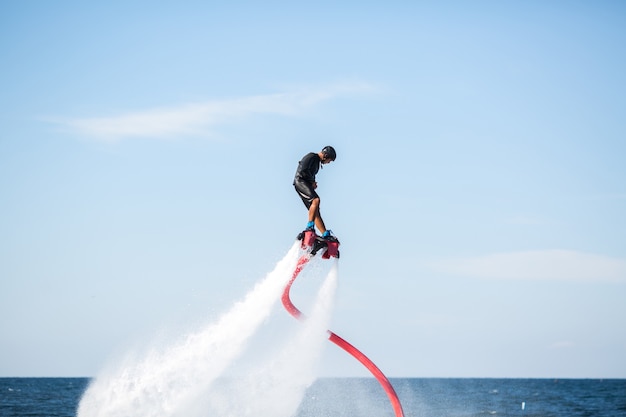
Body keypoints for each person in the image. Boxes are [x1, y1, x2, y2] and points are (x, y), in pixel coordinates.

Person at [293, 146, 336, 238]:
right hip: (300, 181)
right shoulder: (312, 156)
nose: (328, 163)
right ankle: (309, 227)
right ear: (326, 155)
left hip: (305, 183)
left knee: (315, 210)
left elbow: (309, 174)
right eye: (329, 160)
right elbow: (303, 169)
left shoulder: (317, 163)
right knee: (316, 200)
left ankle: (324, 234)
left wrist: (312, 183)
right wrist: (311, 181)